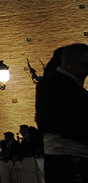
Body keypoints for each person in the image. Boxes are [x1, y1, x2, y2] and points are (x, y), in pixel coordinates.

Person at [35, 43, 88, 183]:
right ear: (72, 62)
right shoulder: (56, 83)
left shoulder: (63, 83)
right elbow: (62, 120)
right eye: (85, 64)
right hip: (68, 157)